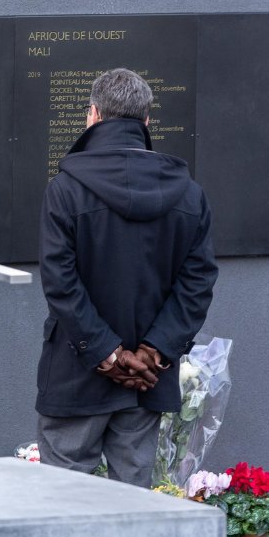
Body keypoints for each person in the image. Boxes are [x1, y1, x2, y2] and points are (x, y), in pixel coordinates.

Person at [36, 67, 218, 487]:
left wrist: (107, 353)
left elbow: (61, 282)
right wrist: (153, 353)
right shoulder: (189, 194)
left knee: (65, 501)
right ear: (147, 122)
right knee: (130, 508)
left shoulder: (65, 189)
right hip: (145, 380)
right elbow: (198, 282)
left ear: (93, 116)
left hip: (76, 373)